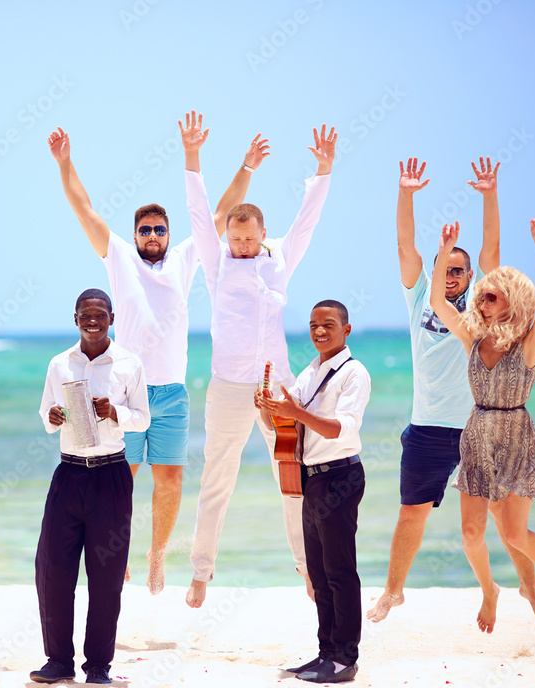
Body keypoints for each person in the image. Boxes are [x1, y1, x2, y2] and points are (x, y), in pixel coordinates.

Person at [46, 113, 268, 593]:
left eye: (158, 230)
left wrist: (246, 167)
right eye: (144, 230)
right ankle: (118, 552)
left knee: (169, 481)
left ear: (168, 234)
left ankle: (156, 555)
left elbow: (223, 215)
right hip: (122, 393)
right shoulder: (119, 257)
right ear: (135, 234)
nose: (151, 236)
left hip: (170, 393)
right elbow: (84, 210)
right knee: (118, 480)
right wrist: (66, 164)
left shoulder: (186, 258)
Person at [367, 158, 535, 624]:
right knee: (413, 512)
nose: (451, 276)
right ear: (433, 272)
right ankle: (393, 592)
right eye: (444, 269)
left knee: (500, 522)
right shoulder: (418, 299)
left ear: (472, 279)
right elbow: (403, 243)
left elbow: (491, 251)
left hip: (478, 428)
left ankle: (528, 586)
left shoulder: (479, 312)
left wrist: (489, 195)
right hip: (428, 427)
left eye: (460, 271)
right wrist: (406, 193)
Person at [185, 123, 336, 608]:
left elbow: (308, 221)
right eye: (236, 237)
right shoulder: (216, 262)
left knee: (292, 478)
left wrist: (323, 171)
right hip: (229, 387)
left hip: (278, 389)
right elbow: (195, 213)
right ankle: (201, 572)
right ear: (227, 232)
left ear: (263, 235)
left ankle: (308, 572)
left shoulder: (279, 259)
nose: (243, 246)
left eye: (250, 240)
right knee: (217, 479)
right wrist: (193, 158)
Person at [429, 219, 535, 633]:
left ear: (512, 303)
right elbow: (438, 303)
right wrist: (445, 251)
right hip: (477, 437)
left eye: (492, 297)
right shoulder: (473, 338)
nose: (482, 302)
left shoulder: (530, 344)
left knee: (513, 532)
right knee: (472, 533)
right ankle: (490, 591)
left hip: (516, 438)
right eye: (482, 295)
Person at [31, 289, 150, 685]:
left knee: (106, 576)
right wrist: (51, 414)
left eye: (100, 314)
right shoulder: (59, 363)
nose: (93, 320)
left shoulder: (129, 364)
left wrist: (114, 412)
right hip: (68, 474)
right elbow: (47, 417)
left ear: (112, 318)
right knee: (53, 570)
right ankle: (58, 661)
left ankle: (98, 666)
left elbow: (143, 419)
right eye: (86, 314)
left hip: (111, 477)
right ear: (76, 318)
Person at [255, 300, 370, 684]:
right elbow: (291, 413)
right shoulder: (314, 369)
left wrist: (294, 411)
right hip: (313, 478)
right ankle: (326, 654)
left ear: (346, 330)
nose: (320, 331)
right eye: (314, 325)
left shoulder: (354, 374)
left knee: (340, 571)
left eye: (329, 325)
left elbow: (341, 429)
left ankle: (346, 658)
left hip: (341, 476)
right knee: (319, 573)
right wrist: (270, 406)